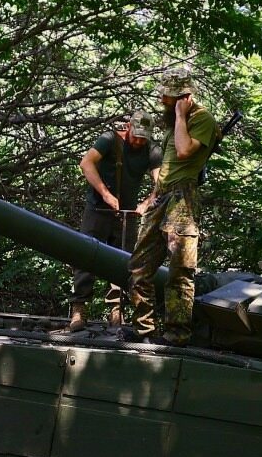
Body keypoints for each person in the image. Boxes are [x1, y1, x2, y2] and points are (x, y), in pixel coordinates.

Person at [126, 70, 219, 346]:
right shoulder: (172, 123)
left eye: (167, 96)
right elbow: (167, 164)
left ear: (183, 98)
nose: (161, 99)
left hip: (183, 198)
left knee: (180, 271)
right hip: (163, 196)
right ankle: (145, 329)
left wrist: (181, 116)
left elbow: (183, 152)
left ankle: (177, 334)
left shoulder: (201, 119)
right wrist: (153, 195)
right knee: (138, 266)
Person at [68, 110, 161, 332]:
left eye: (143, 137)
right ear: (128, 127)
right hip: (98, 210)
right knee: (85, 257)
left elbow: (161, 181)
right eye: (136, 135)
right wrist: (106, 194)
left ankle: (116, 309)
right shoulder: (109, 140)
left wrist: (147, 202)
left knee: (123, 262)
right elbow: (87, 164)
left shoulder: (152, 150)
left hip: (126, 215)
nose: (139, 141)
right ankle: (79, 308)